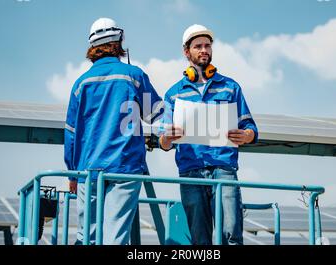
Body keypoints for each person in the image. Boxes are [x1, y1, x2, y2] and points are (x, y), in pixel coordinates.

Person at [64, 17, 164, 245]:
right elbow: (158, 115)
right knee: (114, 238)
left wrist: (72, 174)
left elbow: (70, 133)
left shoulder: (80, 83)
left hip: (87, 172)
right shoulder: (134, 75)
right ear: (119, 41)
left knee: (85, 237)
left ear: (92, 46)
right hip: (124, 169)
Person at [158, 24, 258, 245]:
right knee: (199, 239)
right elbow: (163, 141)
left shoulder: (231, 87)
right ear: (187, 52)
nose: (204, 50)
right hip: (191, 172)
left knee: (231, 234)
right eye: (198, 46)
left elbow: (250, 126)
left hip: (224, 170)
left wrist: (247, 135)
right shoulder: (173, 94)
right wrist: (167, 138)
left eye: (207, 45)